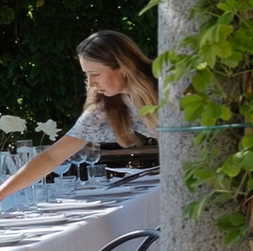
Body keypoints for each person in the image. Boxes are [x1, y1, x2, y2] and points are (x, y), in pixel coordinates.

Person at [0, 31, 160, 205]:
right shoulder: (107, 104)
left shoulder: (167, 85)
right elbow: (53, 156)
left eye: (96, 74)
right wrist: (3, 191)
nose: (91, 83)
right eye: (87, 75)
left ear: (123, 68)